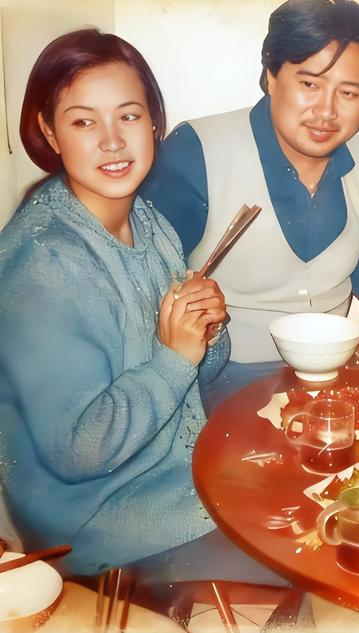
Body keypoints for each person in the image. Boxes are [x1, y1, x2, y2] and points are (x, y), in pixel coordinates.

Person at [0, 29, 279, 582]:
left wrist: (204, 328)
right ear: (49, 131)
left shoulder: (148, 222)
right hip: (101, 525)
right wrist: (176, 357)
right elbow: (79, 452)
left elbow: (192, 373)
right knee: (319, 552)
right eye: (84, 122)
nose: (112, 141)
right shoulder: (40, 265)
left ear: (153, 122)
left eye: (128, 116)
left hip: (175, 472)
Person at [140, 0, 359, 405]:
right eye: (310, 84)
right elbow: (143, 286)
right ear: (271, 76)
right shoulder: (198, 150)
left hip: (333, 379)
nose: (326, 111)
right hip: (215, 381)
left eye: (349, 92)